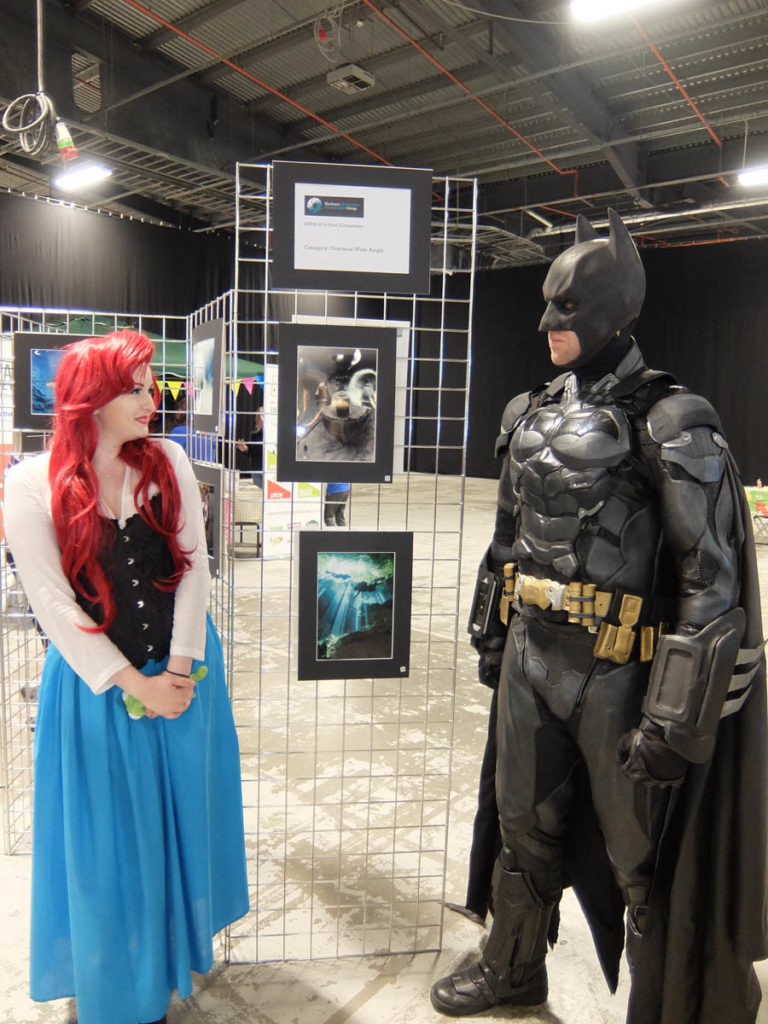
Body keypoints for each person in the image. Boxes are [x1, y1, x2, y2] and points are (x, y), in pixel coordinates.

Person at [431, 211, 767, 1023]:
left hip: (620, 672)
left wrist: (675, 720)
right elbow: (508, 542)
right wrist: (491, 634)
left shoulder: (672, 420)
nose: (547, 324)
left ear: (617, 312)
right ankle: (513, 969)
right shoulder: (527, 415)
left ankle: (672, 1006)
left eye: (569, 309)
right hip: (532, 657)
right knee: (522, 826)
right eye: (547, 304)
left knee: (641, 861)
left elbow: (712, 582)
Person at [3, 331, 249, 1024]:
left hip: (185, 674)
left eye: (151, 386)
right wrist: (133, 683)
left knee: (178, 825)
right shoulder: (30, 482)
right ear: (94, 396)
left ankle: (165, 967)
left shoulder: (168, 459)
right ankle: (113, 985)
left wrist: (176, 669)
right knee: (106, 846)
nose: (153, 400)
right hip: (95, 690)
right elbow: (51, 603)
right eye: (138, 387)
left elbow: (197, 565)